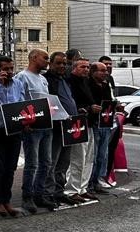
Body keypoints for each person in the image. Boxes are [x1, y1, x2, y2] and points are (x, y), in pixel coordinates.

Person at [15, 49, 55, 214]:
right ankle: (27, 196)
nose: (47, 61)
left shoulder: (43, 79)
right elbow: (19, 100)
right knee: (32, 163)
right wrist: (24, 122)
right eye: (45, 58)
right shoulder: (22, 77)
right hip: (32, 127)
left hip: (46, 125)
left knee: (46, 162)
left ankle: (39, 194)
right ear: (33, 58)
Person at [0, 55, 25, 217]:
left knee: (11, 167)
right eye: (5, 69)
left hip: (14, 130)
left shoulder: (18, 83)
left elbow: (22, 103)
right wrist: (0, 85)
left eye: (11, 68)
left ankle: (6, 200)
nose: (9, 72)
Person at [44, 52, 81, 206]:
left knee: (64, 163)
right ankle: (48, 193)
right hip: (55, 128)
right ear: (50, 63)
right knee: (52, 163)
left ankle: (59, 192)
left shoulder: (64, 80)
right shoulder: (46, 80)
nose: (62, 66)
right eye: (58, 63)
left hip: (69, 127)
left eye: (64, 63)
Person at [65, 58, 97, 203]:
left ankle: (82, 188)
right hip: (77, 122)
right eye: (82, 67)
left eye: (88, 67)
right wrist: (88, 108)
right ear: (74, 67)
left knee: (88, 157)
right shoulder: (69, 81)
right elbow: (72, 104)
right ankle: (72, 189)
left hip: (89, 122)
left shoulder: (86, 81)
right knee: (78, 158)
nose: (86, 69)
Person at [89, 62, 116, 192]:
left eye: (106, 70)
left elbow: (110, 101)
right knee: (93, 155)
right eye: (102, 70)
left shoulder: (106, 85)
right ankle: (90, 182)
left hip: (106, 122)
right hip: (94, 122)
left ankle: (98, 180)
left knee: (103, 154)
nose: (105, 73)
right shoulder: (88, 84)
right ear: (93, 72)